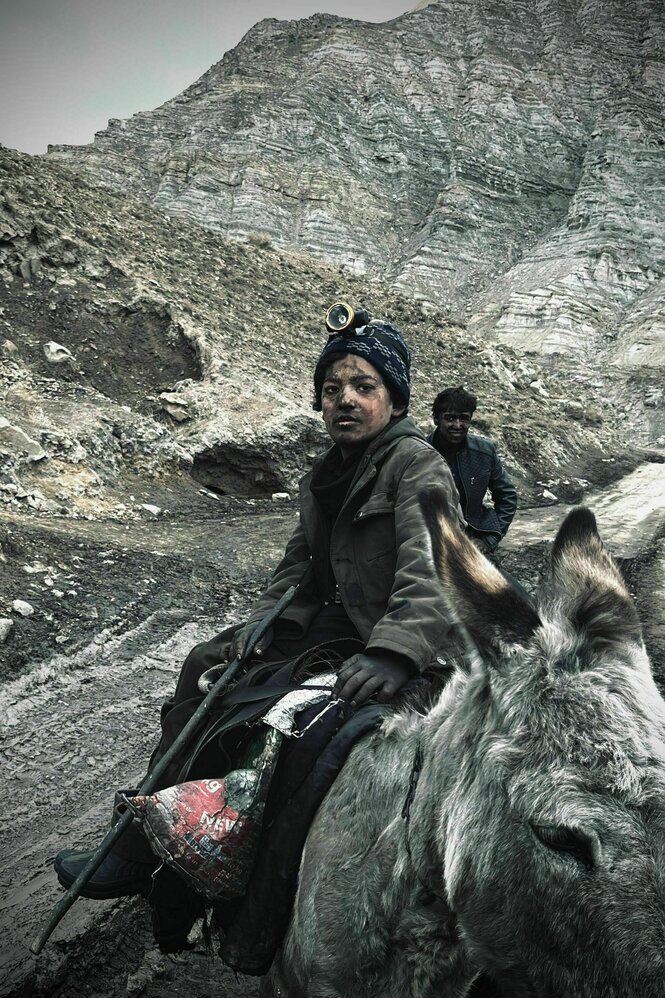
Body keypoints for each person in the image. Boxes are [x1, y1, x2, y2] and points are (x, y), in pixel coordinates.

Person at [53, 315, 463, 956]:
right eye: (332, 388)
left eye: (363, 386)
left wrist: (394, 651)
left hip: (374, 632)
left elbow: (431, 566)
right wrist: (257, 626)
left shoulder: (417, 466)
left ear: (396, 400)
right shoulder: (330, 470)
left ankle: (214, 877)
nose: (345, 400)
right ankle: (141, 844)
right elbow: (297, 564)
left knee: (268, 717)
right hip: (321, 624)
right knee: (206, 664)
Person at [428, 386, 517, 556]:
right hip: (429, 540)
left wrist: (488, 541)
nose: (457, 425)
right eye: (450, 418)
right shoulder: (420, 453)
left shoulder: (484, 452)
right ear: (436, 419)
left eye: (464, 418)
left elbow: (508, 497)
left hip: (473, 540)